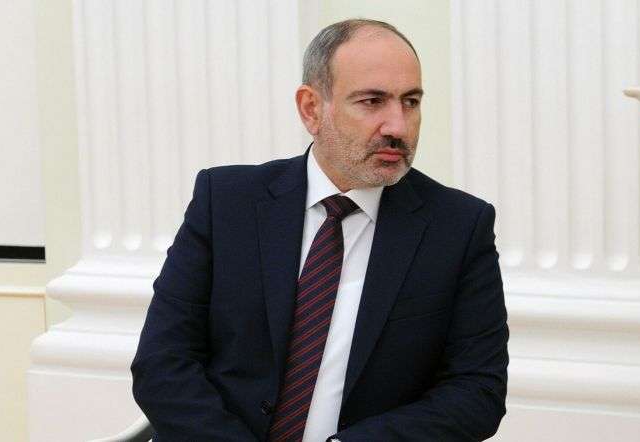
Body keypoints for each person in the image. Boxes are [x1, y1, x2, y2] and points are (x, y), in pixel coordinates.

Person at [131, 18, 508, 442]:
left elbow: (477, 392)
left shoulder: (458, 227)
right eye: (372, 101)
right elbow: (162, 363)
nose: (398, 126)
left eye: (411, 102)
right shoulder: (227, 201)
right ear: (311, 108)